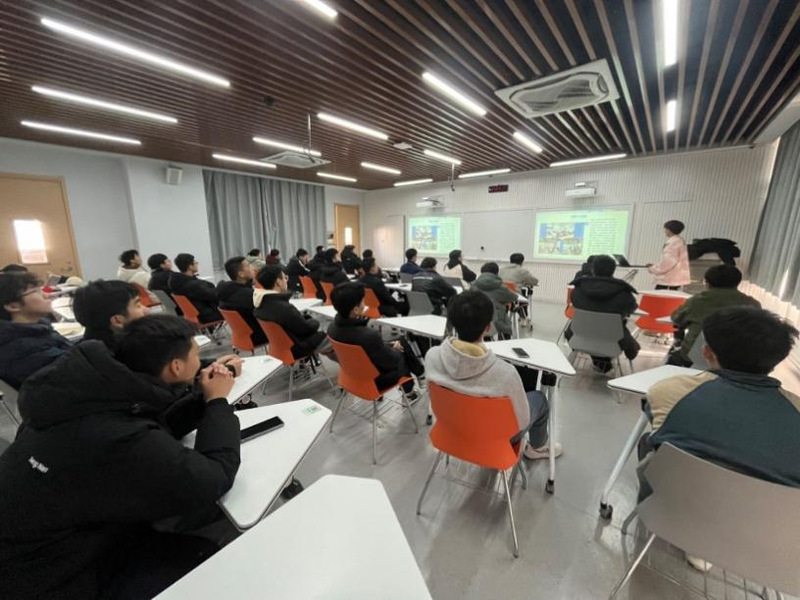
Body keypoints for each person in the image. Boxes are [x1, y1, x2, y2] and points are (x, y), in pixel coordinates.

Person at [0, 315, 241, 600]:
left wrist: (202, 398)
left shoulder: (82, 394)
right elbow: (211, 479)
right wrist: (217, 402)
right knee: (213, 548)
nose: (201, 361)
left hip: (46, 542)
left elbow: (149, 425)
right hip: (59, 575)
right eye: (197, 355)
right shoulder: (117, 437)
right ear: (176, 367)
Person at [641, 307, 800, 572]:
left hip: (669, 512)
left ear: (707, 352)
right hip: (769, 543)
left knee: (649, 441)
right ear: (775, 362)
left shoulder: (669, 391)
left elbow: (654, 420)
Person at [425, 291, 562, 460]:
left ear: (451, 321)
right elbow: (522, 421)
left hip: (451, 431)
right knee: (540, 399)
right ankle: (536, 448)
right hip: (495, 443)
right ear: (488, 328)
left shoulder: (432, 356)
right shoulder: (505, 373)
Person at [327, 283, 422, 398]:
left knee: (397, 343)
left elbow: (366, 348)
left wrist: (388, 345)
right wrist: (394, 349)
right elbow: (390, 362)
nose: (365, 304)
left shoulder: (331, 328)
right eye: (363, 302)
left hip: (351, 376)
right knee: (402, 349)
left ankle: (419, 375)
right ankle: (411, 389)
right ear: (356, 310)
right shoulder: (368, 335)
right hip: (374, 381)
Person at [668, 265, 760, 366]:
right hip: (737, 359)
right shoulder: (752, 304)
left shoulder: (697, 301)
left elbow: (676, 318)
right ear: (737, 283)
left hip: (694, 356)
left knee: (672, 359)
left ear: (708, 283)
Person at [565, 255, 640, 372]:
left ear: (592, 269)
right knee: (615, 332)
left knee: (594, 329)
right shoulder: (624, 293)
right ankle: (604, 363)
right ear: (613, 270)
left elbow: (575, 303)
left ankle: (601, 363)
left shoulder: (579, 289)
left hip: (579, 337)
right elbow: (632, 308)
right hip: (612, 340)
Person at [0, 272, 72, 390]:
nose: (46, 295)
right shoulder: (21, 349)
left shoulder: (37, 330)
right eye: (36, 291)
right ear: (13, 306)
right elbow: (76, 373)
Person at [253, 265, 334, 359]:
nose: (286, 281)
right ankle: (347, 365)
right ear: (278, 282)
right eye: (285, 278)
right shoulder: (283, 307)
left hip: (282, 347)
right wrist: (315, 321)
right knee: (337, 339)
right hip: (299, 346)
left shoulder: (260, 304)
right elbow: (306, 328)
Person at [73, 280, 150, 350]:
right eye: (138, 305)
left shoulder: (82, 352)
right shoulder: (130, 355)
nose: (146, 310)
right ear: (117, 320)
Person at [216, 256, 267, 347]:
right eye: (248, 266)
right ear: (241, 274)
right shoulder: (248, 296)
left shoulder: (226, 292)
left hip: (241, 336)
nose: (252, 268)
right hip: (258, 335)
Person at [169, 253, 222, 323]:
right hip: (206, 315)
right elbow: (214, 296)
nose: (197, 263)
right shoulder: (192, 285)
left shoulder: (177, 281)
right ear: (190, 266)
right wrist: (222, 286)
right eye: (195, 262)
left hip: (196, 313)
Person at [473, 262, 519, 339]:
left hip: (476, 320)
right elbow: (514, 297)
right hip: (497, 322)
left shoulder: (473, 285)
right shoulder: (501, 287)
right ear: (496, 273)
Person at [647, 220, 691, 290]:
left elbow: (668, 262)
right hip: (674, 279)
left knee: (660, 296)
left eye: (665, 229)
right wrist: (655, 266)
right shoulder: (679, 240)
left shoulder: (673, 243)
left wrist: (653, 269)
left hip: (669, 280)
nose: (664, 231)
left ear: (669, 230)